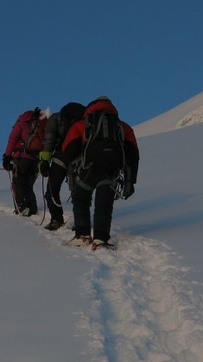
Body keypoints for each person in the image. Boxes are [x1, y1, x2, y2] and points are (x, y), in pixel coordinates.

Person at [56, 96, 140, 249]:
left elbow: (68, 151)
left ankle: (83, 235)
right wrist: (131, 181)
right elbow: (133, 156)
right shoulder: (123, 127)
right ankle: (100, 239)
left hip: (88, 170)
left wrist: (71, 169)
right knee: (104, 204)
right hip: (111, 172)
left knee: (80, 198)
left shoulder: (83, 124)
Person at [39, 102, 86, 230]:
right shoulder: (84, 121)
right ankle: (80, 224)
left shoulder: (55, 118)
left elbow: (49, 140)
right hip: (78, 159)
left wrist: (44, 161)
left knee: (52, 191)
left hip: (60, 158)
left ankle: (56, 220)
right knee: (77, 193)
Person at [1, 107, 47, 216]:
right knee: (28, 185)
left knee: (18, 183)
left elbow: (12, 139)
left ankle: (21, 207)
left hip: (21, 158)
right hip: (36, 161)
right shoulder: (41, 125)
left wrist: (7, 157)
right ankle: (32, 208)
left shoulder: (22, 123)